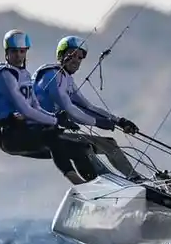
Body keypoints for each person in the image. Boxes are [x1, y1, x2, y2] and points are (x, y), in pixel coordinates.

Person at [0, 29, 103, 185]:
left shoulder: (24, 75)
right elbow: (26, 110)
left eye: (22, 51)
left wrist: (57, 119)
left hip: (25, 132)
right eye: (14, 51)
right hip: (8, 136)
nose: (19, 56)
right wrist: (55, 121)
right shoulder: (3, 75)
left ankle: (95, 186)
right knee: (51, 136)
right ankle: (77, 182)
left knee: (78, 148)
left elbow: (36, 107)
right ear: (7, 52)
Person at [32, 34, 147, 181]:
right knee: (84, 147)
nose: (76, 60)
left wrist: (119, 121)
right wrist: (98, 122)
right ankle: (110, 182)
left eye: (80, 58)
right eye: (72, 55)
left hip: (52, 133)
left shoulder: (67, 79)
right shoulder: (52, 75)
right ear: (61, 55)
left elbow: (87, 106)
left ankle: (134, 179)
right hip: (40, 135)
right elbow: (71, 110)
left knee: (109, 144)